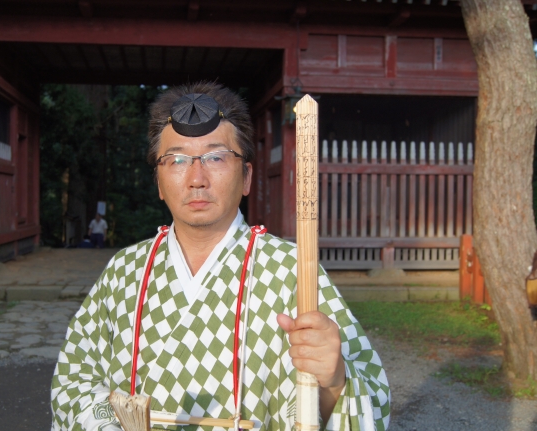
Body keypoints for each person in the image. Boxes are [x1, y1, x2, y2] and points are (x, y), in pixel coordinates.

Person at [51, 82, 390, 431]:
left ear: (246, 177)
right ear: (158, 182)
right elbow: (72, 385)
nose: (197, 179)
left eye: (216, 157)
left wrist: (334, 379)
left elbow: (372, 400)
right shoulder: (124, 272)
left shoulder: (294, 271)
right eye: (178, 160)